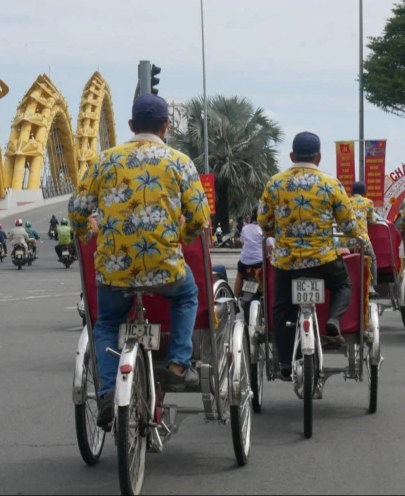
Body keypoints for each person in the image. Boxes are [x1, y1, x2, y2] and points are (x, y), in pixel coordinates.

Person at [69, 93, 210, 430]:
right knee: (187, 294)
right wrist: (181, 235)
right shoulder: (178, 161)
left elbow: (76, 211)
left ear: (131, 125)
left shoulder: (104, 161)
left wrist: (87, 231)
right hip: (165, 267)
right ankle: (177, 364)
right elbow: (199, 217)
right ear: (166, 126)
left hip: (114, 271)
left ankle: (105, 393)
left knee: (105, 323)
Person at [258, 131, 359, 378]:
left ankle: (284, 363)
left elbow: (263, 221)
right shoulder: (331, 184)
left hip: (286, 261)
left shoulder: (275, 183)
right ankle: (333, 320)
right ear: (319, 157)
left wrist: (279, 231)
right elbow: (349, 226)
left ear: (292, 156)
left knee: (282, 307)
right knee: (344, 285)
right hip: (323, 260)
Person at [348, 181, 380, 298]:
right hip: (362, 241)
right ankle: (371, 287)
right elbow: (371, 221)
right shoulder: (368, 202)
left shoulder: (346, 202)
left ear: (351, 192)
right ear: (365, 192)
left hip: (346, 241)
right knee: (372, 258)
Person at [234, 207, 264, 299]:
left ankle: (235, 300)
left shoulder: (245, 228)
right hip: (259, 263)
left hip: (244, 263)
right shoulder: (263, 229)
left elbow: (243, 242)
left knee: (240, 275)